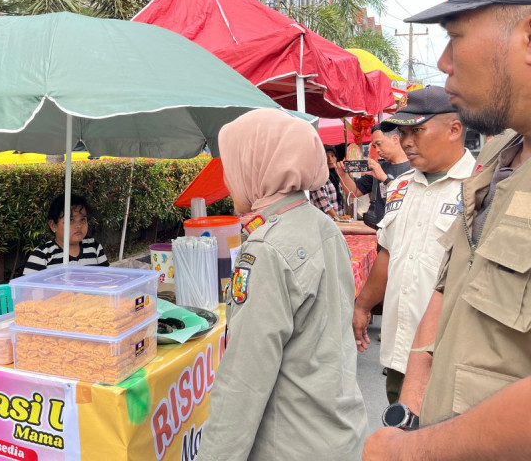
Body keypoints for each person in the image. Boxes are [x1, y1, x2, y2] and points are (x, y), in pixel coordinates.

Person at [363, 0, 531, 460]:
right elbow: (450, 280)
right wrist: (412, 411)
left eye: (456, 36)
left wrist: (409, 452)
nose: (443, 61)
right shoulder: (503, 154)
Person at [196, 108, 367, 461]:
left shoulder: (265, 249)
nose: (228, 180)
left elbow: (243, 383)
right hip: (336, 432)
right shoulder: (321, 224)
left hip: (289, 443)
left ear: (258, 166)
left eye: (231, 165)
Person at [351, 86, 475, 405]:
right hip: (400, 354)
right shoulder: (399, 187)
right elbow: (388, 253)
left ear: (454, 129)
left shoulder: (481, 188)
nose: (406, 141)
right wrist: (363, 306)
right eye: (403, 132)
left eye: (416, 130)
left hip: (452, 359)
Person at [336, 123, 410, 227]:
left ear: (395, 139)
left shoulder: (416, 167)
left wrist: (385, 178)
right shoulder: (379, 167)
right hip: (382, 232)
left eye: (379, 144)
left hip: (406, 230)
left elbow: (413, 196)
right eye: (374, 146)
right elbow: (354, 192)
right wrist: (342, 175)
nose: (377, 150)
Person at [23, 193, 108, 274]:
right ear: (53, 225)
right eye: (70, 220)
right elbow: (28, 288)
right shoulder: (41, 255)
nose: (78, 226)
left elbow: (107, 279)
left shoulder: (94, 247)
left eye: (82, 220)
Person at [309, 148, 345, 219]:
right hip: (324, 222)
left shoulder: (337, 177)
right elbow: (323, 202)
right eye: (326, 156)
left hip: (337, 222)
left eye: (332, 156)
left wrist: (341, 217)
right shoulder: (318, 177)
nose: (330, 159)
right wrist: (337, 217)